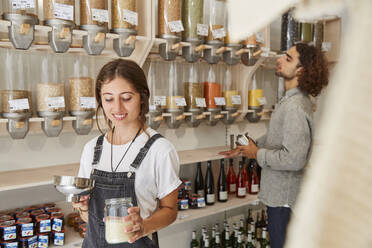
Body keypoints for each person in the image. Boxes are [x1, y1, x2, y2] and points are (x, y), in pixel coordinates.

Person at [220, 43, 329, 248]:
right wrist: (250, 146)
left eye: (288, 58)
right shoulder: (294, 101)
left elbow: (293, 159)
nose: (279, 60)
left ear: (301, 70)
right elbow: (279, 138)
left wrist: (257, 153)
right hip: (282, 198)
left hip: (284, 200)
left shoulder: (295, 107)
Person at [73, 59, 182, 248]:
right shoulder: (91, 149)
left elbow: (170, 210)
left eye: (126, 98)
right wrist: (83, 208)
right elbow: (87, 217)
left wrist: (144, 226)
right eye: (108, 99)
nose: (117, 108)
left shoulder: (160, 150)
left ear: (142, 96)